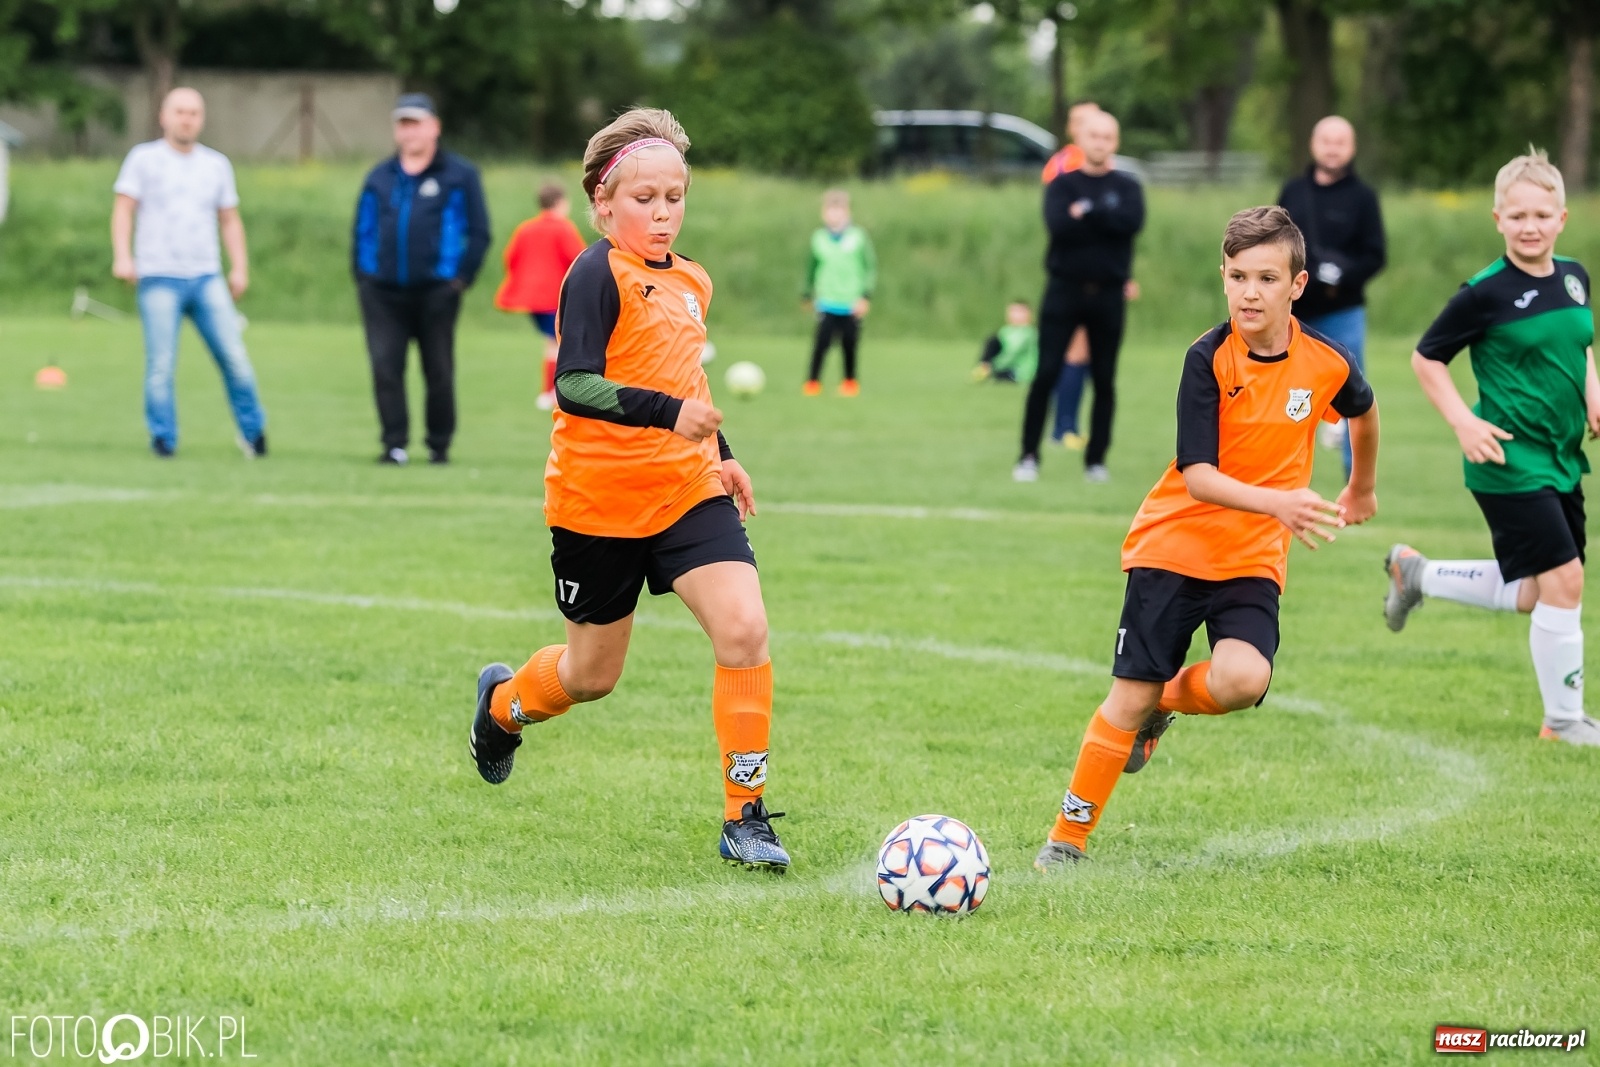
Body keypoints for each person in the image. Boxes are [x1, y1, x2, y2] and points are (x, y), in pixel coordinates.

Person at [467, 107, 791, 871]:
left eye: (674, 198)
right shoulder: (594, 272)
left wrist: (722, 449)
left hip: (685, 491)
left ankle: (746, 816)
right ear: (603, 204)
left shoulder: (692, 281)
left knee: (744, 629)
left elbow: (685, 378)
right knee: (591, 677)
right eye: (644, 199)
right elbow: (576, 384)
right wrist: (671, 414)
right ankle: (503, 705)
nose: (662, 213)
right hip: (597, 505)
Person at [1033, 206, 1380, 869]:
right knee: (1124, 697)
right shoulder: (1208, 358)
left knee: (1245, 678)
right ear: (1224, 278)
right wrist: (1280, 502)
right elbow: (1199, 477)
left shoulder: (1325, 362)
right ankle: (1067, 839)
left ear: (1296, 286)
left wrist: (1361, 486)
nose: (1251, 292)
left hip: (1251, 558)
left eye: (1267, 278)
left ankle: (1161, 704)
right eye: (1238, 276)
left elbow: (1363, 410)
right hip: (1174, 545)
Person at [1382, 150, 1600, 748]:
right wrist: (1463, 423)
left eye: (1542, 214)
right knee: (1567, 581)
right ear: (1497, 219)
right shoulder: (1484, 294)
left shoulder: (1575, 276)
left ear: (1562, 217)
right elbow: (1425, 358)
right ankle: (1563, 722)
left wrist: (1594, 392)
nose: (1530, 226)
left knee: (1536, 593)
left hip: (1559, 455)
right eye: (1517, 215)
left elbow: (1578, 344)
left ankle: (1417, 574)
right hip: (1506, 458)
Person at [111, 87, 265, 460]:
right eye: (179, 111)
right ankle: (164, 439)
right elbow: (123, 209)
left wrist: (239, 266)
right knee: (161, 365)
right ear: (164, 116)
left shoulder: (215, 165)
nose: (186, 118)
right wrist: (123, 256)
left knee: (235, 359)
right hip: (159, 276)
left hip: (206, 276)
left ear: (202, 119)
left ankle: (254, 434)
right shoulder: (143, 159)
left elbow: (229, 219)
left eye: (194, 113)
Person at [351, 93, 490, 466]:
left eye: (416, 123)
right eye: (403, 124)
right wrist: (364, 276)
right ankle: (394, 444)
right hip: (382, 293)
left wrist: (459, 280)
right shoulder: (380, 176)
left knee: (438, 369)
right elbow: (363, 229)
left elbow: (478, 232)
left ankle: (438, 444)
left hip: (436, 292)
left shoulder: (459, 175)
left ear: (434, 127)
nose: (409, 131)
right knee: (385, 366)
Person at [1015, 109, 1144, 484]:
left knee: (1104, 378)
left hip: (1107, 294)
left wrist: (1086, 214)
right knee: (1046, 373)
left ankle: (1096, 460)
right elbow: (1059, 227)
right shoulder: (1062, 185)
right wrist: (1102, 218)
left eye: (1107, 137)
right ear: (1080, 141)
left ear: (1115, 143)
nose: (1100, 143)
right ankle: (1027, 455)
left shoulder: (1128, 187)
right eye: (1094, 136)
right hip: (1064, 290)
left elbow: (1130, 225)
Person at [1277, 116, 1386, 478]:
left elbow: (1376, 254)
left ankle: (1356, 476)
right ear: (1313, 144)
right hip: (1296, 310)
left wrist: (1343, 275)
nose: (1333, 147)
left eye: (1341, 141)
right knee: (1283, 386)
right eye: (1326, 140)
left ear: (1351, 148)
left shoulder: (1363, 197)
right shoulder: (1293, 192)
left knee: (1353, 388)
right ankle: (1277, 466)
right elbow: (1275, 242)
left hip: (1344, 309)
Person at [495, 180, 587, 411]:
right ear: (560, 203)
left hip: (533, 300)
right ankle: (552, 393)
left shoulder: (526, 228)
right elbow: (579, 259)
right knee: (558, 344)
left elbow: (510, 257)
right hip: (554, 297)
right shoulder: (563, 228)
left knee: (553, 342)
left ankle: (551, 392)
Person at [802, 189, 876, 397]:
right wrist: (807, 293)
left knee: (849, 344)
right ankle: (813, 382)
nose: (834, 215)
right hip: (827, 300)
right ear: (823, 213)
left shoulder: (858, 237)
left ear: (847, 212)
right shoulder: (819, 238)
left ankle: (850, 382)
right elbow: (811, 268)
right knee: (821, 343)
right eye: (830, 210)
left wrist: (865, 296)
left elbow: (869, 267)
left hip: (851, 301)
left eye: (838, 210)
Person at [973, 300, 1038, 383]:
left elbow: (1012, 354)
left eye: (1020, 312)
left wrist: (993, 366)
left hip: (1021, 372)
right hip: (1007, 367)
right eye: (1013, 311)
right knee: (992, 340)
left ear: (1029, 314)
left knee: (999, 375)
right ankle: (983, 367)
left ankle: (985, 370)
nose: (1015, 315)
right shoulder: (1005, 331)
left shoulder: (1030, 333)